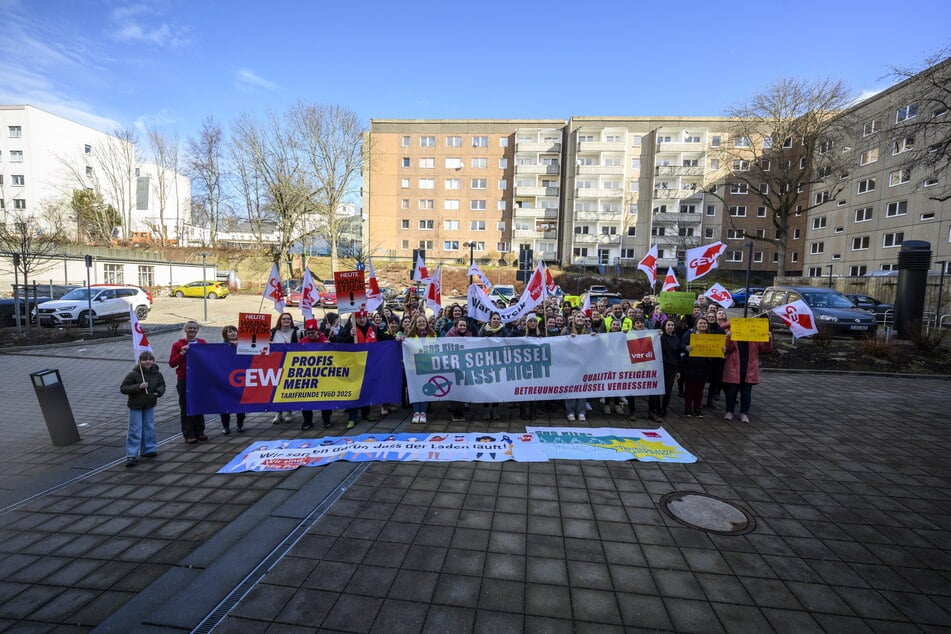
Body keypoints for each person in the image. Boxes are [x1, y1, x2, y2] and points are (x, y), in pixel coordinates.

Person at [335, 310, 381, 429]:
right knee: (353, 391)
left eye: (363, 317)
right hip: (353, 366)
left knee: (366, 390)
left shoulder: (373, 328)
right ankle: (352, 417)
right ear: (354, 319)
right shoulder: (348, 329)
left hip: (368, 364)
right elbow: (339, 342)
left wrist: (396, 338)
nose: (362, 320)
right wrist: (349, 335)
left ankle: (366, 413)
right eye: (359, 318)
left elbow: (383, 338)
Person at [722, 321, 774, 423]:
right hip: (734, 369)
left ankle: (744, 412)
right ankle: (729, 411)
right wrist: (729, 337)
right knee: (731, 393)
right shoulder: (734, 335)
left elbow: (765, 349)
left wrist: (769, 339)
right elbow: (727, 349)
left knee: (746, 393)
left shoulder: (754, 337)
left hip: (749, 369)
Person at [120, 351, 165, 466]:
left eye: (150, 359)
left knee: (149, 427)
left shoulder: (157, 374)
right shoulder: (133, 374)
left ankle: (149, 449)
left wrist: (157, 393)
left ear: (153, 361)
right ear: (140, 361)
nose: (147, 361)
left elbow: (162, 385)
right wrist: (138, 386)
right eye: (144, 359)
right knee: (135, 429)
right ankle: (131, 454)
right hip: (136, 405)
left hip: (149, 404)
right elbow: (123, 388)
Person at [168, 321, 207, 444]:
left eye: (194, 328)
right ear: (185, 329)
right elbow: (172, 363)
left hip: (199, 379)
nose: (192, 330)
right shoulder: (177, 345)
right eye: (189, 328)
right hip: (184, 379)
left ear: (197, 330)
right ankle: (188, 433)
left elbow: (209, 358)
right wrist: (182, 353)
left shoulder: (202, 343)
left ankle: (199, 431)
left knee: (199, 405)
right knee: (186, 406)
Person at [299, 319, 334, 430]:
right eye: (308, 332)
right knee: (306, 399)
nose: (310, 334)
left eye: (312, 332)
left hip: (324, 375)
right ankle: (307, 421)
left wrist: (330, 345)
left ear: (317, 331)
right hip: (308, 376)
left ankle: (326, 420)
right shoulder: (303, 342)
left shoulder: (325, 340)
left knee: (325, 398)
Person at [405, 314, 437, 423]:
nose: (421, 323)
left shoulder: (433, 335)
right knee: (415, 389)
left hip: (427, 367)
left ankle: (423, 412)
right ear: (416, 324)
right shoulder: (410, 336)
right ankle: (416, 412)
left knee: (425, 389)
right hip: (413, 367)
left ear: (427, 323)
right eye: (419, 322)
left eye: (423, 321)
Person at [649, 318, 681, 422]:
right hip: (659, 366)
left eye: (672, 325)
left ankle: (663, 409)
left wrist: (678, 370)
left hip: (671, 368)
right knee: (655, 390)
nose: (670, 327)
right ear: (664, 326)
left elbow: (678, 355)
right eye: (668, 325)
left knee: (668, 390)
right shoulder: (660, 337)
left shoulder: (676, 339)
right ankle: (654, 409)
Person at [270, 313, 299, 424]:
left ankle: (289, 412)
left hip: (290, 363)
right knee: (276, 388)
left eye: (288, 318)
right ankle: (278, 413)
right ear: (280, 320)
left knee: (287, 388)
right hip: (275, 363)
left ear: (291, 321)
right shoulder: (273, 332)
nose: (286, 320)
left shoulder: (296, 332)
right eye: (284, 319)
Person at [680, 317, 712, 418]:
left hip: (704, 367)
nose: (703, 325)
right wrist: (686, 347)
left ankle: (697, 409)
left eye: (704, 323)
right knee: (690, 389)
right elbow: (682, 345)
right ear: (696, 325)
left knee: (700, 389)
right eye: (700, 323)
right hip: (690, 366)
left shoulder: (711, 336)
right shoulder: (689, 333)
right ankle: (688, 409)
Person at [478, 312, 508, 420]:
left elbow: (507, 343)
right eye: (494, 318)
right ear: (490, 320)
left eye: (498, 319)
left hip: (498, 362)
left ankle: (495, 410)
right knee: (486, 387)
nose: (496, 320)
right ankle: (486, 410)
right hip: (485, 362)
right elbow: (478, 343)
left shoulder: (503, 331)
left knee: (496, 387)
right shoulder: (483, 330)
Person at [563, 311, 591, 421]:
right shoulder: (566, 331)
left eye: (582, 317)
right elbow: (560, 345)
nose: (580, 318)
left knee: (582, 389)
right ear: (574, 319)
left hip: (584, 365)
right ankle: (570, 411)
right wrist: (568, 338)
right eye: (578, 316)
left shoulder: (589, 331)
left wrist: (594, 337)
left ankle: (581, 411)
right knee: (571, 388)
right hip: (570, 364)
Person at [219, 325, 246, 434]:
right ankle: (225, 425)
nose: (233, 333)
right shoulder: (220, 347)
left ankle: (240, 423)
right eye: (229, 332)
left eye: (234, 331)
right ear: (225, 335)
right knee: (224, 403)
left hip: (240, 377)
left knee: (240, 402)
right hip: (225, 378)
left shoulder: (244, 345)